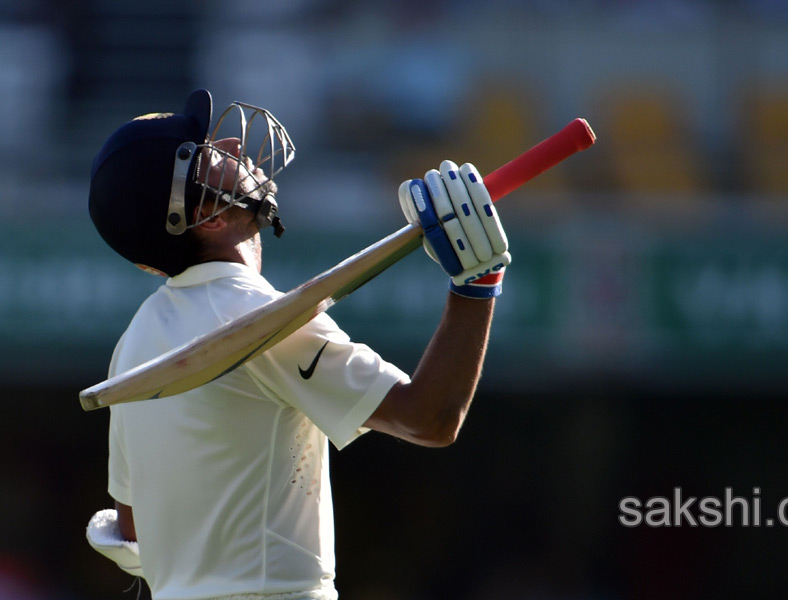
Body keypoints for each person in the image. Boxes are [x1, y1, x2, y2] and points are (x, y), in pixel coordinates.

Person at [84, 89, 511, 600]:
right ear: (210, 218)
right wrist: (476, 285)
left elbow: (130, 528)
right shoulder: (254, 317)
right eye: (205, 154)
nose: (228, 143)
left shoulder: (135, 339)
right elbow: (429, 417)